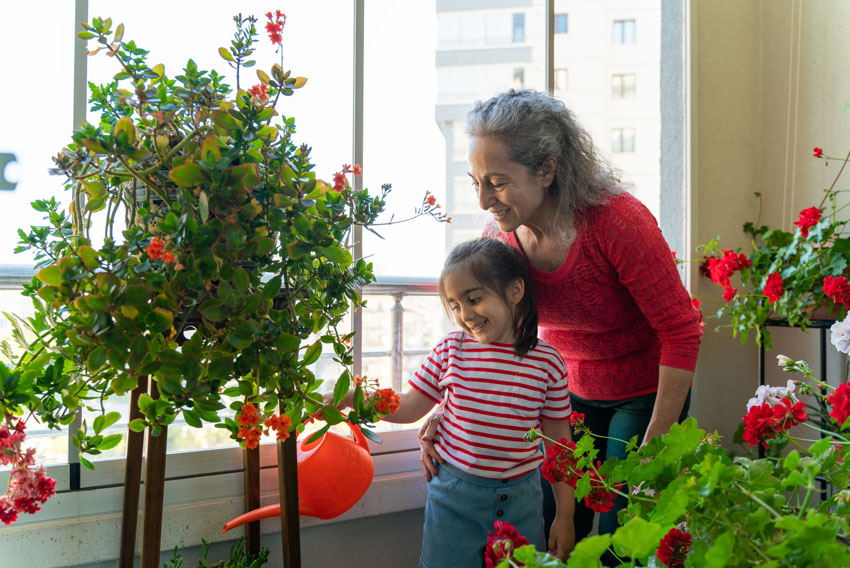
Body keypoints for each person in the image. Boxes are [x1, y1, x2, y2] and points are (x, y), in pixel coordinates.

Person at [418, 89, 703, 558]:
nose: (486, 198)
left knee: (617, 537)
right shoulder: (501, 238)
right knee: (552, 528)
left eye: (498, 181)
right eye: (476, 183)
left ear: (546, 169)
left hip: (643, 390)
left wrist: (656, 441)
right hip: (564, 393)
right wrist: (442, 409)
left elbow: (680, 329)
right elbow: (490, 337)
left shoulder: (617, 222)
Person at [333, 238, 576, 567]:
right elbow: (407, 406)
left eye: (473, 299)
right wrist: (350, 397)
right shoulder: (450, 349)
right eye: (455, 305)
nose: (465, 315)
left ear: (515, 291)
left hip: (522, 502)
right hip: (453, 499)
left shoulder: (547, 361)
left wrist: (565, 514)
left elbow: (560, 442)